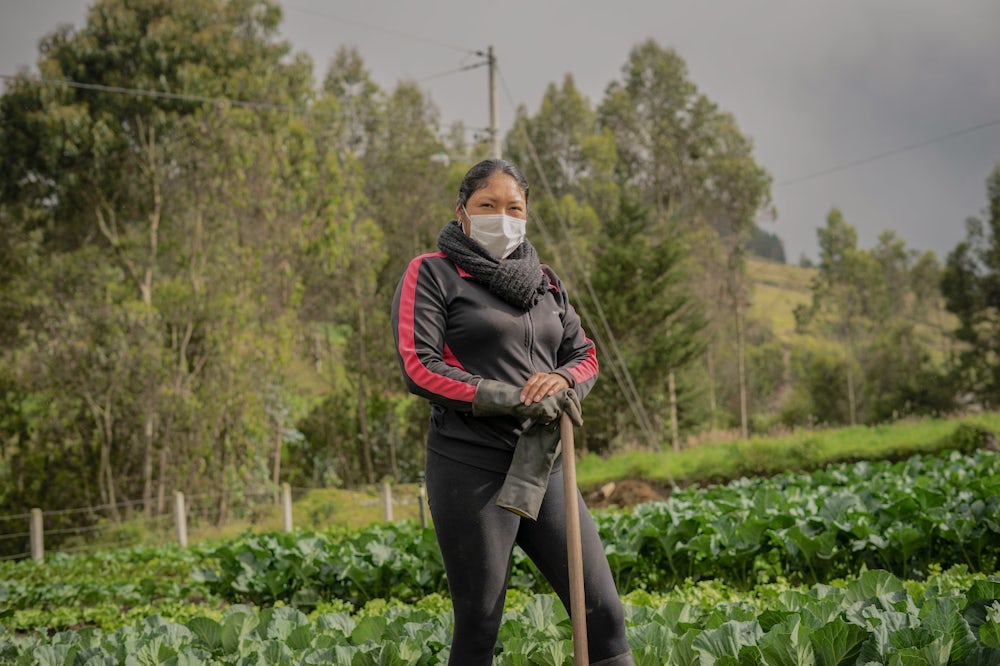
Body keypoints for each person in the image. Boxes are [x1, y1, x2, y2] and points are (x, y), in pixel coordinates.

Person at [391, 158, 634, 665]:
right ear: (462, 212)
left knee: (603, 613)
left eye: (514, 207)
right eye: (487, 205)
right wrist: (512, 394)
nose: (502, 217)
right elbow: (419, 366)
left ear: (527, 214)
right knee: (480, 622)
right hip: (469, 465)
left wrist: (562, 380)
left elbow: (584, 355)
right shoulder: (432, 273)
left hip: (543, 465)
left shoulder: (545, 282)